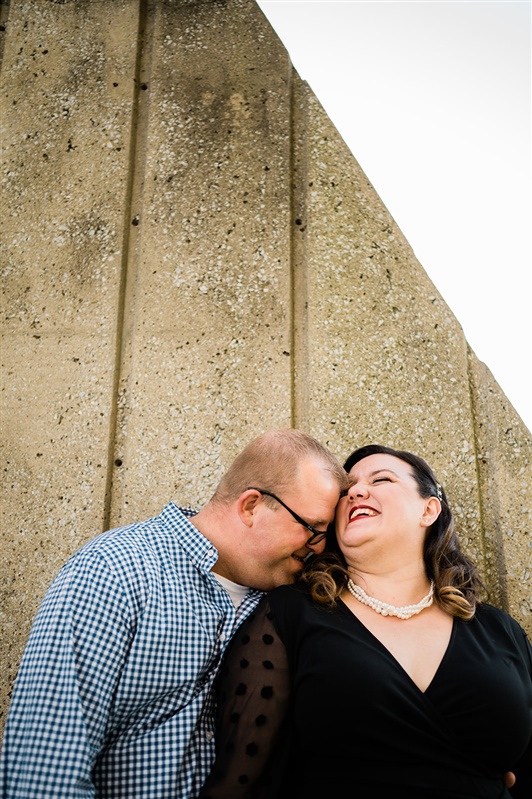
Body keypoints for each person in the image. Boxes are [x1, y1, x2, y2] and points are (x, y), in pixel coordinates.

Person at [0, 429, 347, 799]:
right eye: (311, 529)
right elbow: (43, 774)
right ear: (251, 506)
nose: (318, 547)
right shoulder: (116, 570)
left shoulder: (285, 606)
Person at [200, 444, 532, 799]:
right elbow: (241, 781)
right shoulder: (288, 614)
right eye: (346, 491)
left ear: (428, 509)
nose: (356, 491)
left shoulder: (500, 631)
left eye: (382, 479)